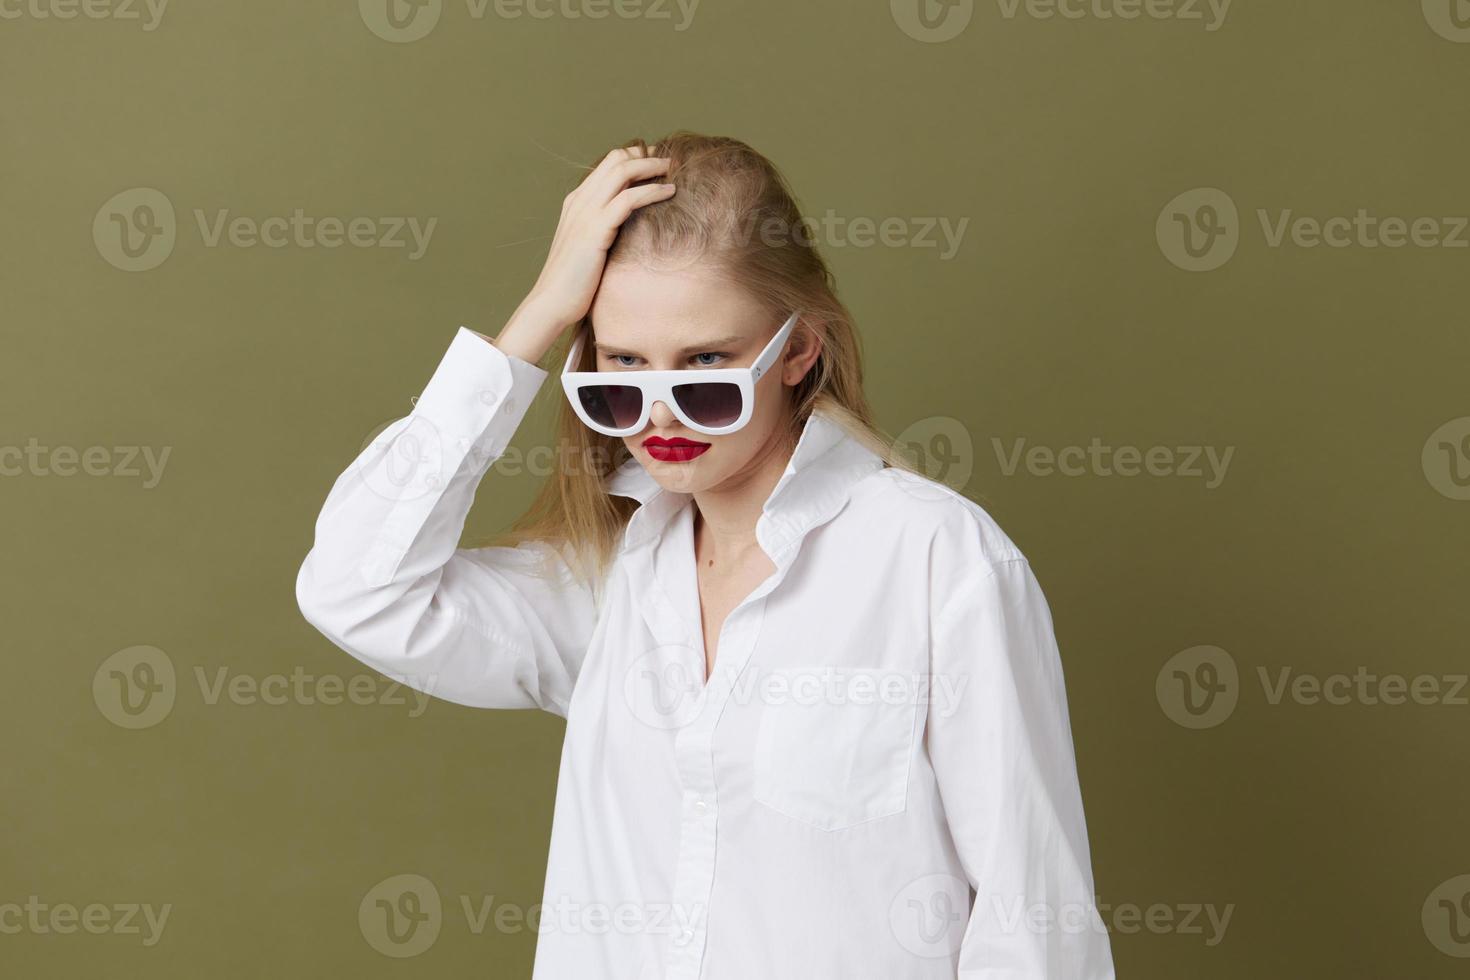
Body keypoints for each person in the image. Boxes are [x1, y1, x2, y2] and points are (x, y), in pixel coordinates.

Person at [296, 131, 1116, 979]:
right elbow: (358, 590)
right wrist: (538, 315)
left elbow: (1034, 920)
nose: (660, 416)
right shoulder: (605, 582)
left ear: (799, 350)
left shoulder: (935, 560)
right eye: (620, 369)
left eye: (707, 370)